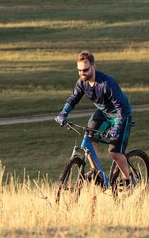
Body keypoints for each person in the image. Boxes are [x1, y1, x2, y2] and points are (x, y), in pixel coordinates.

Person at [55, 50, 135, 186]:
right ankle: (96, 172)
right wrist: (63, 114)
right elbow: (73, 99)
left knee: (114, 152)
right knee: (89, 135)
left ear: (93, 67)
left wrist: (116, 129)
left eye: (85, 70)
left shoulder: (106, 83)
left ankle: (129, 180)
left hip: (121, 114)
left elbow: (121, 108)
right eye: (79, 70)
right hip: (104, 112)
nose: (82, 73)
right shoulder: (82, 83)